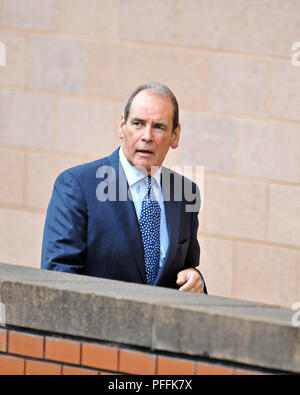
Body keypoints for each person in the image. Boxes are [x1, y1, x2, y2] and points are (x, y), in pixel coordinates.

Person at [41, 82, 207, 294]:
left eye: (158, 127)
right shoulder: (77, 185)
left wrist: (195, 278)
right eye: (138, 123)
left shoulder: (185, 193)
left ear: (175, 135)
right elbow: (58, 276)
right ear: (122, 126)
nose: (147, 136)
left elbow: (185, 270)